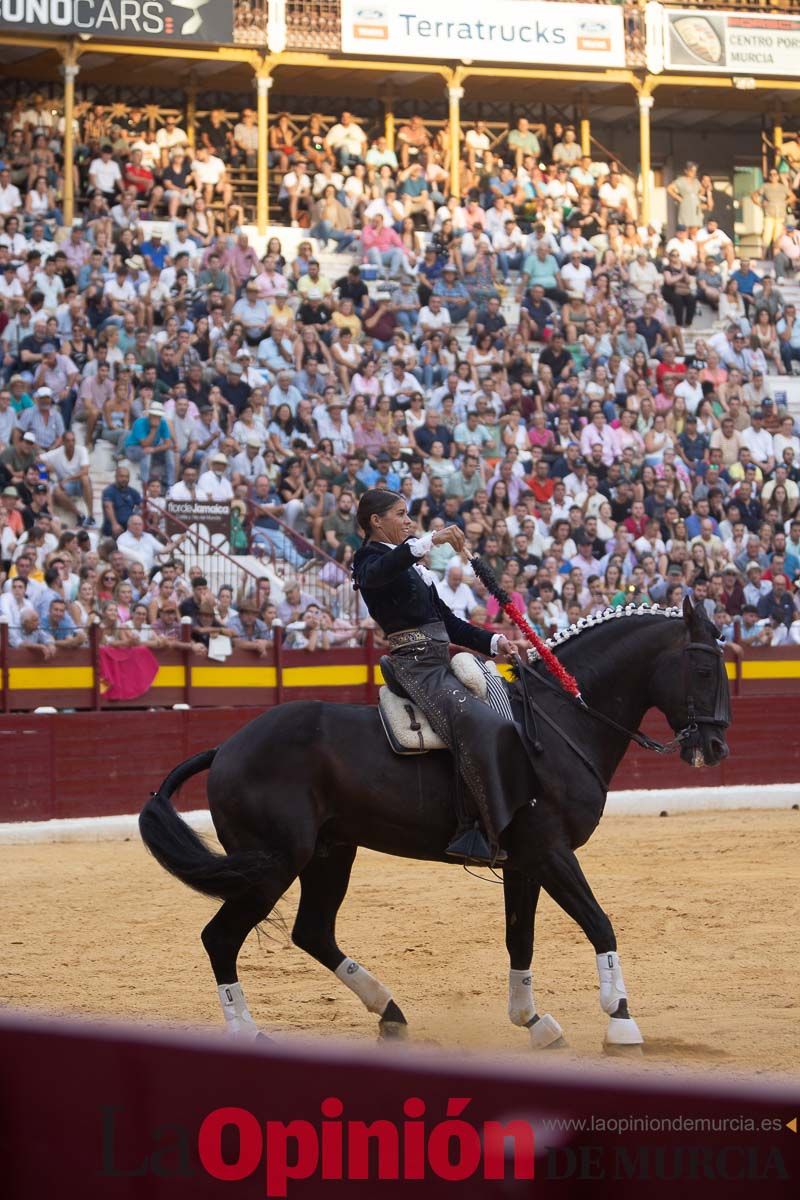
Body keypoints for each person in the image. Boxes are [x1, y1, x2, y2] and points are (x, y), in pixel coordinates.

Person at [351, 489, 533, 866]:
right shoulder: (369, 559)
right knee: (474, 722)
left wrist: (495, 641)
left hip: (437, 660)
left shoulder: (412, 566)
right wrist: (429, 540)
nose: (407, 520)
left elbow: (448, 623)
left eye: (407, 514)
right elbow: (379, 573)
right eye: (400, 514)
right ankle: (472, 828)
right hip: (414, 664)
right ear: (375, 521)